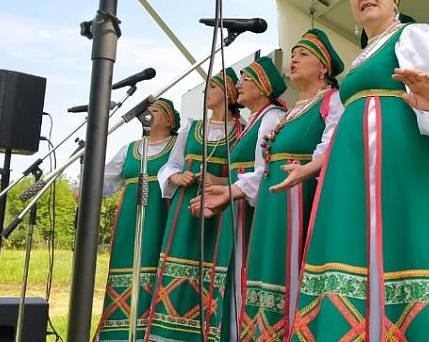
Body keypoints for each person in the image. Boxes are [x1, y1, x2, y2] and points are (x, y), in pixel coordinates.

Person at [283, 0, 429, 341]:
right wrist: (313, 167)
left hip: (400, 161)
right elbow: (339, 129)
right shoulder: (360, 60)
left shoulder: (412, 36)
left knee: (403, 245)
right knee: (350, 252)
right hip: (350, 172)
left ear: (395, 0)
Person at [238, 29, 344, 341]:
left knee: (291, 273)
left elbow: (333, 144)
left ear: (323, 67)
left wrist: (308, 169)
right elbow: (264, 166)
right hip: (275, 204)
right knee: (266, 273)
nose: (294, 60)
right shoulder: (293, 111)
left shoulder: (332, 100)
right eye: (293, 54)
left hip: (301, 200)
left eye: (303, 54)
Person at [189, 56, 288, 341]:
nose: (239, 85)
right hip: (239, 207)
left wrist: (229, 190)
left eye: (245, 79)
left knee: (243, 276)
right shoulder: (257, 119)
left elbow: (263, 171)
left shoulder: (271, 118)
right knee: (234, 277)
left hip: (252, 210)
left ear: (262, 86)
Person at [145, 68, 241, 342]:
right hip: (185, 209)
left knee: (213, 267)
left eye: (211, 86)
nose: (205, 92)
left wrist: (222, 180)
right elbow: (170, 166)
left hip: (220, 212)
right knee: (181, 259)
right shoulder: (192, 127)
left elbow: (246, 172)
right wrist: (177, 176)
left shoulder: (241, 130)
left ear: (228, 91)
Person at [81, 98, 181, 342]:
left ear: (169, 120)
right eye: (146, 110)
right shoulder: (131, 149)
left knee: (158, 266)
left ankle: (154, 331)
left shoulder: (177, 146)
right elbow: (105, 179)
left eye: (155, 110)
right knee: (127, 264)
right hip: (130, 218)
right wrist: (82, 188)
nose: (147, 113)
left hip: (163, 217)